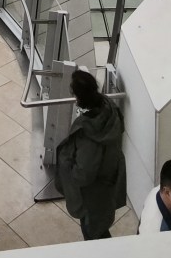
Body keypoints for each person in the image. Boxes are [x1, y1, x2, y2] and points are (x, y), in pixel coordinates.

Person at [54, 69, 127, 240]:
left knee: (93, 232)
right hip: (107, 185)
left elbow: (83, 174)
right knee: (100, 228)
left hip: (92, 195)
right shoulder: (110, 108)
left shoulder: (88, 134)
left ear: (79, 97)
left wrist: (69, 170)